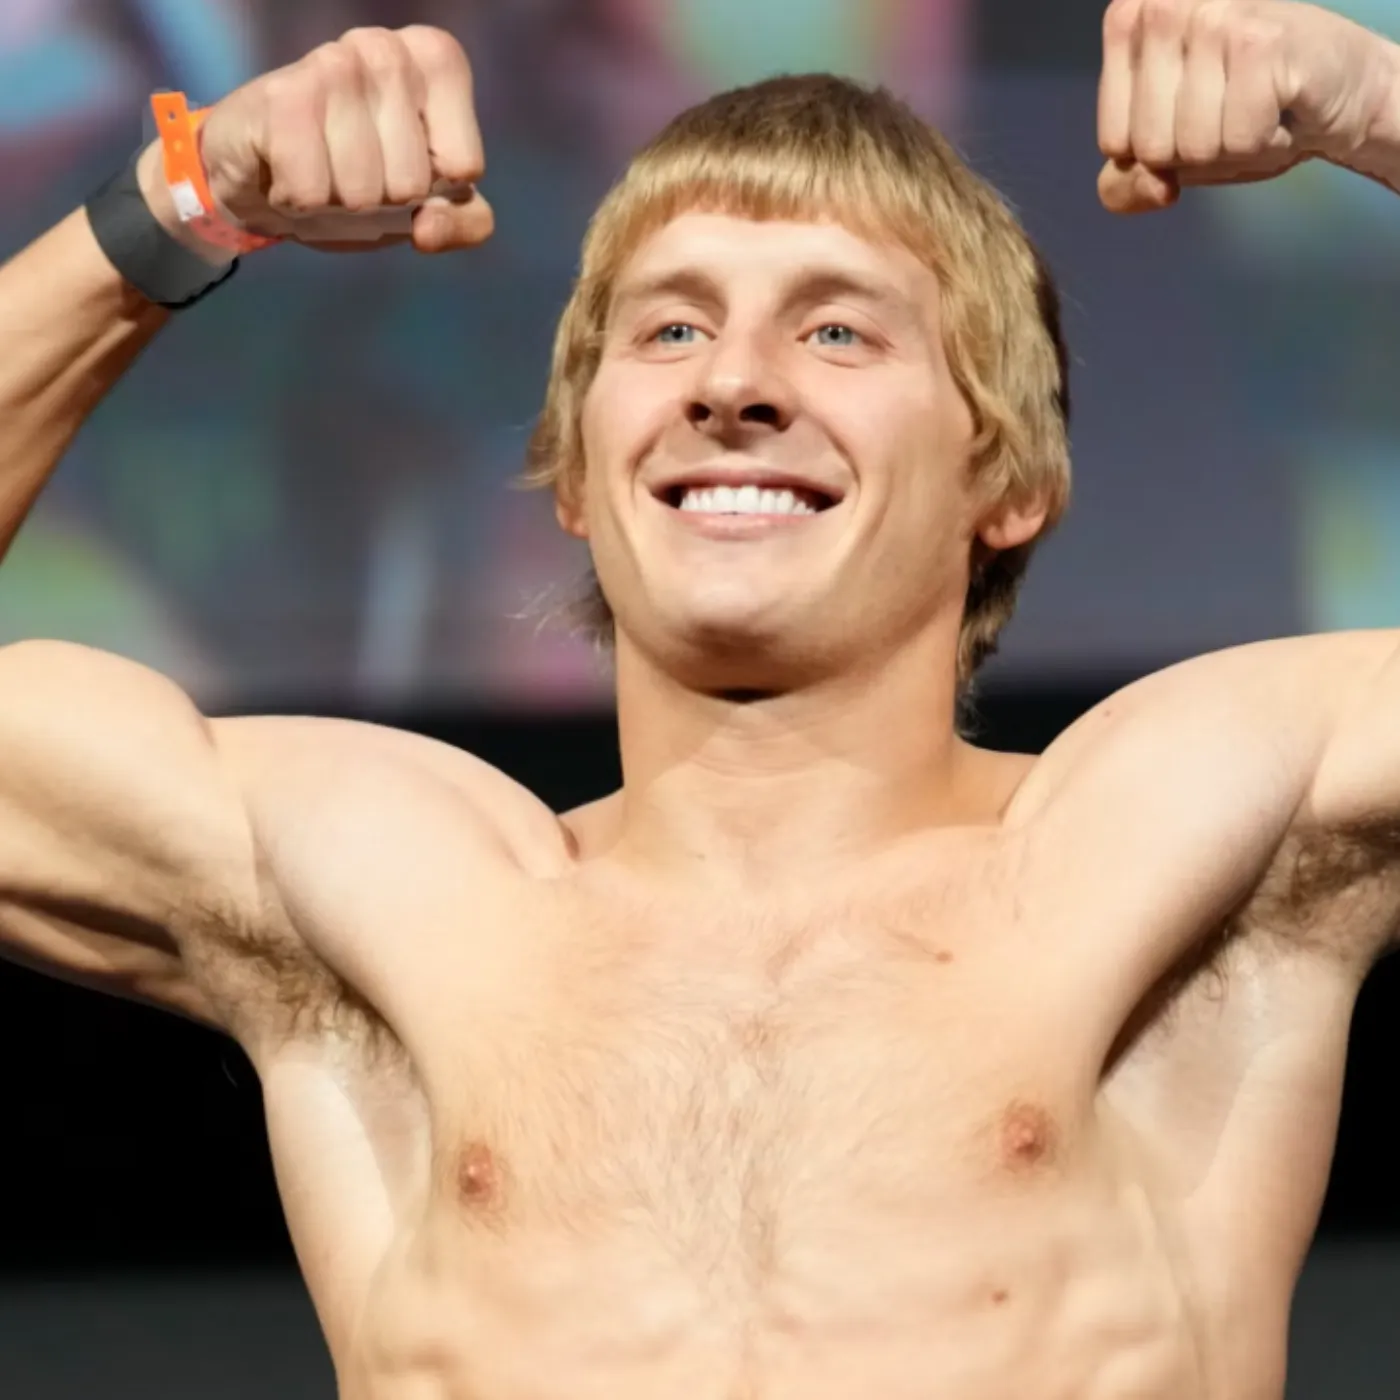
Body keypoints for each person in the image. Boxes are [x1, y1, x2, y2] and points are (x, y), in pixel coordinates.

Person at [1, 2, 1398, 1395]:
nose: (732, 383)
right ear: (572, 470)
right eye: (670, 330)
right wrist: (183, 200)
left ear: (1008, 476)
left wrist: (1375, 104)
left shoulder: (1182, 836)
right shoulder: (391, 890)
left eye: (838, 332)